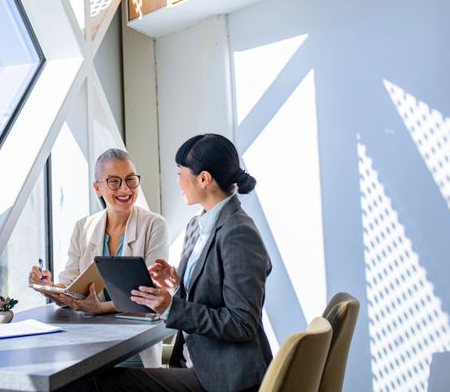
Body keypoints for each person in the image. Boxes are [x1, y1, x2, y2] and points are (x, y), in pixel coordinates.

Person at [94, 134, 272, 392]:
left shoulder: (239, 232)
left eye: (180, 173)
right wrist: (177, 281)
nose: (177, 182)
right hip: (196, 363)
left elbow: (242, 323)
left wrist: (170, 307)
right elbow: (211, 292)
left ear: (204, 179)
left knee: (106, 383)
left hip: (227, 378)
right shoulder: (197, 226)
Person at [29, 148, 169, 368]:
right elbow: (70, 287)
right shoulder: (83, 227)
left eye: (131, 180)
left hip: (133, 354)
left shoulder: (154, 225)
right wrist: (49, 287)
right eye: (114, 182)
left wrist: (99, 308)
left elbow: (150, 295)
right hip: (88, 347)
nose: (125, 189)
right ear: (97, 188)